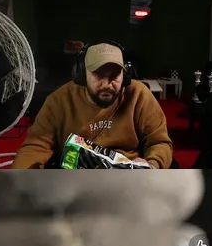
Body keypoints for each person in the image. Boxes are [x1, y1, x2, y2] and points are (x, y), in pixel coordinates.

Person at [11, 42, 173, 169]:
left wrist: (151, 165)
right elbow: (35, 146)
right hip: (76, 179)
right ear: (82, 74)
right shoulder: (59, 100)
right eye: (98, 75)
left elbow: (159, 142)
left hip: (127, 178)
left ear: (125, 75)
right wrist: (18, 184)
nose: (107, 84)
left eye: (114, 75)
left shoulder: (139, 95)